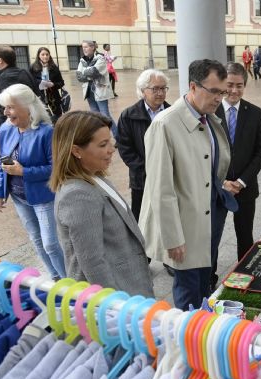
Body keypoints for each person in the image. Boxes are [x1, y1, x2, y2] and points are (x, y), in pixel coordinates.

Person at [139, 59, 232, 310]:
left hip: (208, 217)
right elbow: (160, 189)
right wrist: (172, 238)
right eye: (214, 91)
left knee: (204, 284)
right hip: (183, 227)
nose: (219, 98)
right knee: (188, 293)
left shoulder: (208, 116)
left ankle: (204, 335)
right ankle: (186, 341)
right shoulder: (165, 124)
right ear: (193, 86)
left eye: (222, 92)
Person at [49, 111, 154, 296]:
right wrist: (115, 305)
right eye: (103, 144)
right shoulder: (78, 195)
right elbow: (92, 262)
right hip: (116, 299)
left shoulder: (95, 175)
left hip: (129, 286)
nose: (112, 149)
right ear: (76, 151)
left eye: (110, 141)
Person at [0, 84, 66, 280]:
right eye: (5, 107)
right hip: (19, 197)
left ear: (27, 107)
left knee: (50, 244)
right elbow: (3, 161)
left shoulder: (46, 132)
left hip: (43, 196)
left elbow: (55, 168)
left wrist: (23, 171)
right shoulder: (6, 129)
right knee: (36, 240)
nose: (6, 112)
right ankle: (55, 278)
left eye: (10, 107)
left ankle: (69, 283)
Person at [215, 62, 261, 264]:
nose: (234, 90)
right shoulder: (211, 112)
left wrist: (242, 181)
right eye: (229, 85)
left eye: (239, 85)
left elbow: (260, 153)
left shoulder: (255, 113)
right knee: (213, 237)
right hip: (217, 188)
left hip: (245, 189)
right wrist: (222, 183)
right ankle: (210, 276)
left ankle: (244, 274)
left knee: (245, 236)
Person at [116, 69, 171, 222]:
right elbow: (125, 148)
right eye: (155, 89)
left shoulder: (172, 114)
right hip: (141, 179)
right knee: (142, 219)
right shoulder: (128, 115)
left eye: (163, 88)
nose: (160, 93)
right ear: (142, 91)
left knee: (167, 218)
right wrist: (147, 168)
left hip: (169, 178)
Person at [76, 40, 117, 137]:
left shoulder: (100, 58)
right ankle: (101, 136)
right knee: (95, 117)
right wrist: (88, 73)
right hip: (89, 91)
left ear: (92, 47)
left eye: (86, 47)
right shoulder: (82, 60)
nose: (84, 49)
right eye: (83, 47)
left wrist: (86, 72)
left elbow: (94, 72)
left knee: (105, 115)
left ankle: (118, 136)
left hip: (100, 90)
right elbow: (79, 76)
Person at [0, 45, 40, 131]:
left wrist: (1, 122)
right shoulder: (24, 71)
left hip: (14, 124)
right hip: (28, 120)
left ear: (0, 60)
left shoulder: (6, 77)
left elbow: (7, 105)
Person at [30, 47, 65, 124]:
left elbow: (61, 82)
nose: (45, 56)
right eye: (43, 54)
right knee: (44, 120)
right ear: (39, 55)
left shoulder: (54, 67)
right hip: (40, 97)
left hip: (53, 98)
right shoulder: (33, 67)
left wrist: (53, 84)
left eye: (47, 54)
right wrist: (40, 82)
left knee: (57, 119)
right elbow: (30, 82)